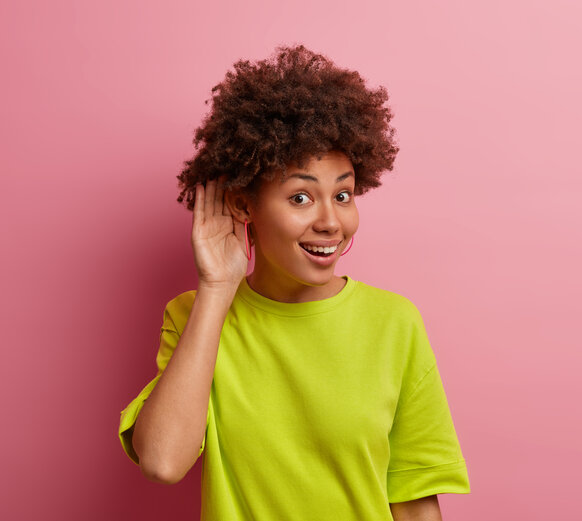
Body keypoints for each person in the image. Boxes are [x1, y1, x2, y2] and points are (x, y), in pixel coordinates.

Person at [118, 44, 470, 520]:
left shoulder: (394, 324)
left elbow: (414, 505)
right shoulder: (194, 317)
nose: (331, 221)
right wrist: (217, 288)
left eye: (343, 194)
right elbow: (162, 462)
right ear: (244, 206)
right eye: (301, 197)